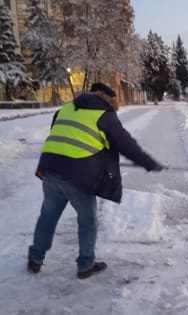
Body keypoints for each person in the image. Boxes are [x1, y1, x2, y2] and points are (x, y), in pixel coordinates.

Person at [28, 82, 165, 279]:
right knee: (87, 220)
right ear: (109, 99)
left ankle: (35, 259)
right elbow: (127, 145)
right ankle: (86, 265)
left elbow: (65, 136)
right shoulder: (104, 114)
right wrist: (149, 163)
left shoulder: (65, 109)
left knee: (48, 216)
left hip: (49, 168)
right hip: (76, 175)